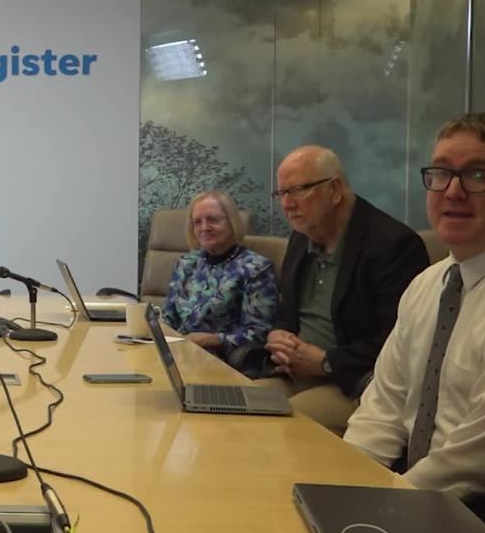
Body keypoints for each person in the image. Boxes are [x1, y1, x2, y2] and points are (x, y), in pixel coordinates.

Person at [345, 113, 485, 505]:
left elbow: (476, 461)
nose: (453, 191)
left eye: (478, 175)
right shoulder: (426, 284)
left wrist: (388, 507)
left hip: (480, 523)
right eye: (441, 173)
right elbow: (382, 409)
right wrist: (340, 487)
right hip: (412, 497)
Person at [261, 146, 429, 434]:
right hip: (293, 374)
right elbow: (287, 313)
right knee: (234, 411)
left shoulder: (393, 245)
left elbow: (400, 343)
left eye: (298, 190)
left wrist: (326, 362)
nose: (287, 204)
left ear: (335, 189)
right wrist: (277, 333)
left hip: (355, 384)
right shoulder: (301, 237)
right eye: (282, 194)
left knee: (281, 430)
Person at [162, 189, 278, 359]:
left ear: (232, 222)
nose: (204, 228)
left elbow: (260, 331)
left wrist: (213, 339)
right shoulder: (185, 263)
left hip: (223, 360)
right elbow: (168, 318)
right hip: (178, 354)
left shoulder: (256, 268)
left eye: (213, 220)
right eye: (197, 222)